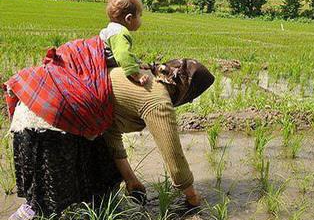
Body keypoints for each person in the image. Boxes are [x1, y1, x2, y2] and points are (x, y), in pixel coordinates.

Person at [7, 56, 214, 218]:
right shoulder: (158, 99)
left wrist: (130, 180)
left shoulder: (139, 72)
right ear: (186, 92)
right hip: (49, 123)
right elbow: (174, 156)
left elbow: (109, 131)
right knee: (44, 205)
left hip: (29, 113)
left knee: (104, 176)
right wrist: (192, 197)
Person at [100, 0, 150, 86]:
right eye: (140, 16)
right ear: (129, 19)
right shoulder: (120, 32)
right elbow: (123, 54)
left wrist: (138, 62)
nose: (141, 20)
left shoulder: (112, 28)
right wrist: (136, 74)